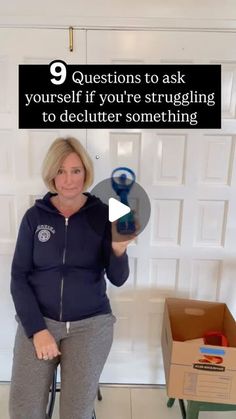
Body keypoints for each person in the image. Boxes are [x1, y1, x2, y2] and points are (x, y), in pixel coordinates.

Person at [9, 137, 132, 419]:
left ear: (86, 172)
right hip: (40, 321)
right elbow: (19, 277)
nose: (68, 180)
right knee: (23, 410)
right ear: (51, 174)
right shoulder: (34, 217)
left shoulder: (105, 215)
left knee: (76, 413)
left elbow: (118, 278)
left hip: (90, 325)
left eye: (76, 171)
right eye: (61, 171)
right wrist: (37, 330)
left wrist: (118, 250)